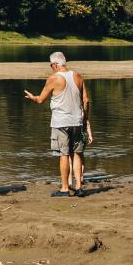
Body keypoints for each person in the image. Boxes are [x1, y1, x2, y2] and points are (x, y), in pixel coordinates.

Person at [24, 52, 92, 196]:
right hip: (77, 121)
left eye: (51, 65)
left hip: (61, 122)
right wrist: (85, 119)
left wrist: (32, 97)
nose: (51, 68)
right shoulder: (78, 76)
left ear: (55, 64)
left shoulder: (54, 78)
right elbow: (86, 101)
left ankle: (65, 188)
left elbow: (40, 99)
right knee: (77, 154)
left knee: (64, 154)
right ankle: (79, 186)